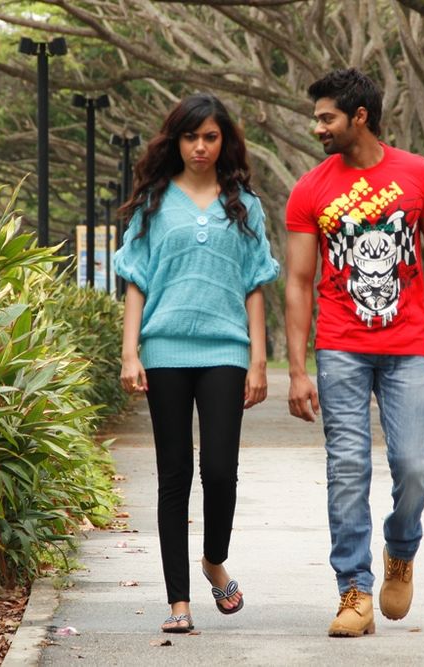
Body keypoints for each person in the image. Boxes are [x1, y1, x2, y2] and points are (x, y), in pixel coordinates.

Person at [284, 69, 424, 637]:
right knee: (347, 469)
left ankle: (401, 550)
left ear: (359, 116)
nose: (318, 128)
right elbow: (298, 282)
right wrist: (296, 369)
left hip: (407, 346)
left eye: (327, 118)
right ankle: (354, 591)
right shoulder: (310, 189)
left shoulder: (419, 175)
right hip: (340, 347)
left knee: (413, 467)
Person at [114, 93, 280, 634]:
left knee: (220, 471)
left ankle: (213, 559)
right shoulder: (154, 202)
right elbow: (136, 281)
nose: (200, 147)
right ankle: (178, 603)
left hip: (226, 351)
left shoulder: (245, 205)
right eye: (191, 137)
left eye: (210, 137)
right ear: (176, 141)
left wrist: (259, 360)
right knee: (174, 475)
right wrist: (130, 352)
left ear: (224, 141)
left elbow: (255, 285)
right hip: (164, 350)